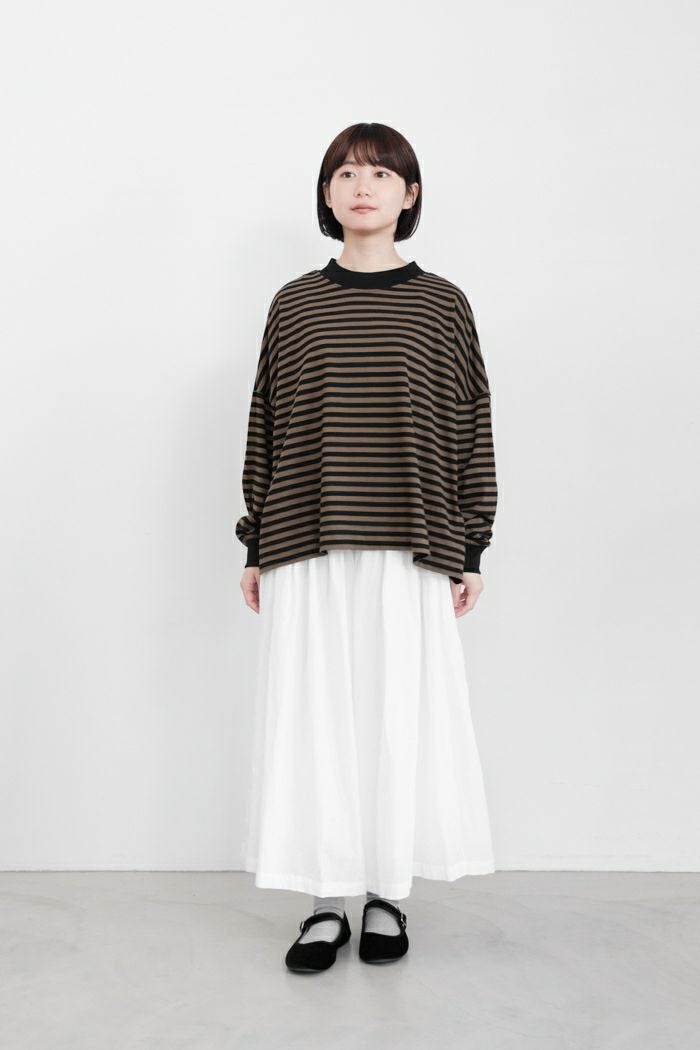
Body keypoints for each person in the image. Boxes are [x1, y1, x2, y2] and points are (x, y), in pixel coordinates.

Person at [234, 122, 498, 973]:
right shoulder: (294, 303)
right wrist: (254, 540)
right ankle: (324, 901)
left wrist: (473, 545)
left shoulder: (443, 303)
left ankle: (386, 891)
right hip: (305, 536)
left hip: (412, 539)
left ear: (409, 195)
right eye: (346, 173)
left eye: (382, 175)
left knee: (395, 717)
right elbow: (267, 420)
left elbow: (470, 424)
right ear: (326, 193)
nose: (362, 187)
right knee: (317, 717)